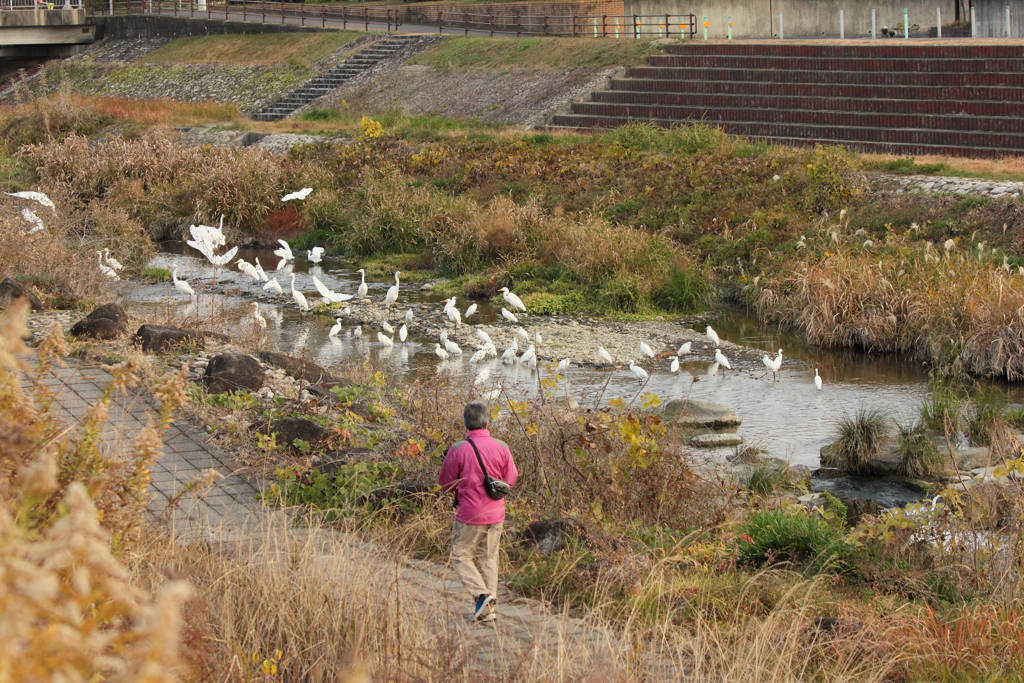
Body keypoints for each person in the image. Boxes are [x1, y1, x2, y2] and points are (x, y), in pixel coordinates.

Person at [438, 400, 518, 623]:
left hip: (469, 513)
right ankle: (488, 610)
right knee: (489, 557)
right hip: (496, 513)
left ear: (465, 423)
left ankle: (480, 595)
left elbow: (445, 484)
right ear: (487, 420)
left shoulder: (458, 449)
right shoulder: (501, 446)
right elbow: (510, 479)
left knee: (460, 554)